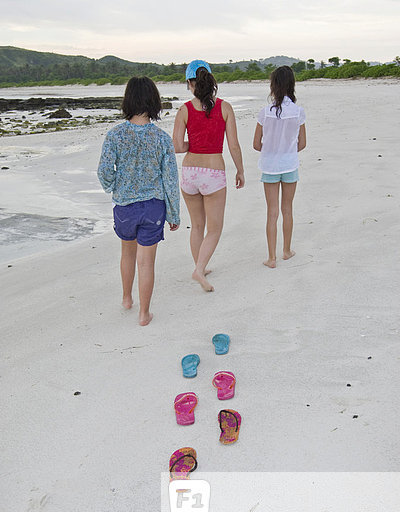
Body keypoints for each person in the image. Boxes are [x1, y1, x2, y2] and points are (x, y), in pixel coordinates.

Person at [97, 76, 180, 325]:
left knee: (127, 253)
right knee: (147, 263)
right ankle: (144, 313)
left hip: (124, 206)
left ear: (128, 100)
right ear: (154, 102)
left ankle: (126, 298)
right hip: (153, 206)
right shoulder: (162, 139)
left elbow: (103, 171)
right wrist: (174, 214)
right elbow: (170, 181)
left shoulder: (115, 135)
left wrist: (113, 187)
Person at [173, 59, 245, 292]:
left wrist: (194, 143)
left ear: (190, 83)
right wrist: (240, 170)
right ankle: (199, 269)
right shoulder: (224, 108)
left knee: (197, 226)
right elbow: (233, 145)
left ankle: (200, 267)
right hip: (213, 171)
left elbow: (176, 146)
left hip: (189, 171)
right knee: (214, 229)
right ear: (211, 81)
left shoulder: (184, 109)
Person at [253, 65, 306, 268]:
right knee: (288, 209)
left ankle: (271, 258)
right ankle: (286, 250)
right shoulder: (298, 112)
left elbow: (256, 144)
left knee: (272, 212)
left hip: (269, 166)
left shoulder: (265, 112)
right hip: (290, 164)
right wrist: (287, 149)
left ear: (273, 86)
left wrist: (272, 149)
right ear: (291, 85)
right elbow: (302, 143)